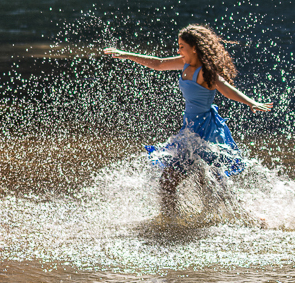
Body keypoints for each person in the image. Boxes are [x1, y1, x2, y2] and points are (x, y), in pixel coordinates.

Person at [103, 23, 273, 216]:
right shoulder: (184, 64)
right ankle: (176, 219)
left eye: (182, 46)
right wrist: (126, 54)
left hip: (204, 133)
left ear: (194, 48)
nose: (178, 50)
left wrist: (250, 102)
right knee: (190, 182)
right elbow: (157, 63)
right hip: (190, 131)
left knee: (195, 182)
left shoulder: (204, 72)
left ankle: (242, 218)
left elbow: (225, 88)